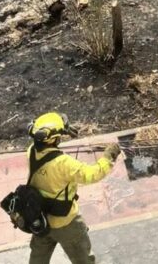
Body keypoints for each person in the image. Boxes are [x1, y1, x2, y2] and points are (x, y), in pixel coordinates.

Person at [27, 112, 121, 264]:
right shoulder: (64, 164)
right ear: (54, 139)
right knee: (83, 260)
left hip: (41, 219)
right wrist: (108, 158)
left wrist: (63, 129)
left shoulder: (31, 151)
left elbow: (47, 143)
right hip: (66, 223)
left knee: (38, 260)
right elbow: (91, 175)